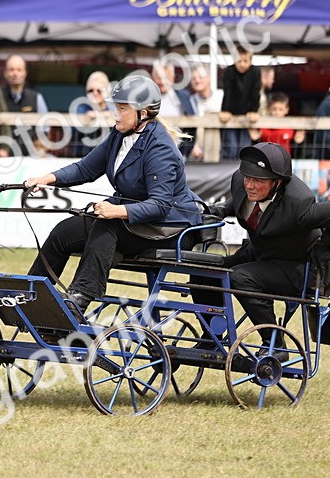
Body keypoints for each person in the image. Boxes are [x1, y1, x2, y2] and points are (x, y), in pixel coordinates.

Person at [23, 74, 202, 312]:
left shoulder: (160, 148)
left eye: (121, 108)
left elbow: (160, 205)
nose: (114, 113)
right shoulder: (119, 135)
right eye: (115, 107)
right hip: (132, 220)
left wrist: (117, 210)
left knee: (107, 224)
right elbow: (85, 168)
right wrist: (48, 178)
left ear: (143, 112)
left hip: (167, 227)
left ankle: (80, 298)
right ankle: (31, 294)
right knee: (64, 232)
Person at [206, 142, 330, 341]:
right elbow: (241, 199)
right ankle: (212, 336)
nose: (250, 185)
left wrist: (324, 244)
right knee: (205, 271)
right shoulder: (240, 181)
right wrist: (221, 209)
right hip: (259, 254)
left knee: (239, 277)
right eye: (248, 177)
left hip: (295, 268)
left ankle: (274, 344)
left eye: (258, 180)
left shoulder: (299, 206)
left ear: (277, 183)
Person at [0, 54, 48, 156]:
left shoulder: (36, 98)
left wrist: (39, 148)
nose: (15, 73)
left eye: (19, 70)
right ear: (5, 73)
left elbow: (45, 128)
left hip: (30, 157)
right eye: (11, 70)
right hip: (3, 156)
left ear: (25, 73)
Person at [219, 48, 261, 159]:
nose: (242, 64)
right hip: (231, 113)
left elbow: (255, 93)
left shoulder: (255, 72)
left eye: (245, 61)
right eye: (239, 61)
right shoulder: (229, 71)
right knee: (230, 148)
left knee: (245, 148)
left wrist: (254, 111)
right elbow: (227, 92)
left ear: (250, 61)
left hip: (248, 115)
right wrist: (225, 110)